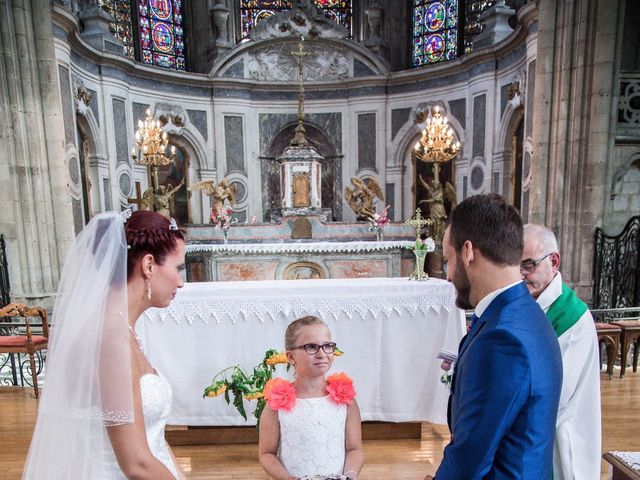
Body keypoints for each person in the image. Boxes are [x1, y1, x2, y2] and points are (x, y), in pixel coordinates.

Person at [23, 210, 187, 479]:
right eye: (178, 268)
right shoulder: (110, 338)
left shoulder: (121, 327)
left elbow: (150, 439)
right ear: (148, 265)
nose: (180, 282)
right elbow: (135, 464)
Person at [426, 193, 563, 479]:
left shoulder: (502, 338)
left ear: (468, 252)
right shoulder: (526, 312)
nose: (448, 276)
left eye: (448, 260)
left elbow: (471, 455)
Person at [522, 223, 601, 479]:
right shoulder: (528, 305)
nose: (521, 274)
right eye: (516, 266)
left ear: (553, 261)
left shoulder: (572, 318)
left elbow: (558, 393)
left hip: (562, 436)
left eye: (529, 265)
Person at [259, 316, 364, 480]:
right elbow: (267, 454)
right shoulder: (277, 401)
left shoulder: (345, 398)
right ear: (291, 357)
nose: (321, 354)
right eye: (311, 347)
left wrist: (350, 476)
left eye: (327, 346)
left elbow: (354, 449)